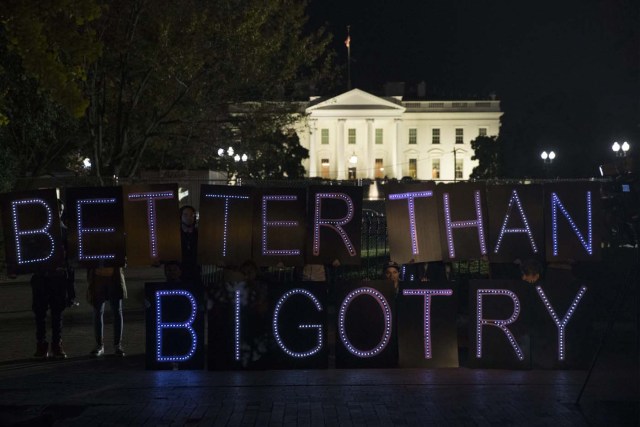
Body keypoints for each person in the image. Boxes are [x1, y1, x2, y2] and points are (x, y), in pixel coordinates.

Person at [31, 200, 76, 359]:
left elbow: (71, 261)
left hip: (57, 279)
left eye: (59, 210)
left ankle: (56, 344)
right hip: (42, 278)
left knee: (57, 313)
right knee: (40, 313)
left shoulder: (65, 233)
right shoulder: (39, 232)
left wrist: (71, 287)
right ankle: (42, 344)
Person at [86, 267, 127, 357]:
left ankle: (107, 345)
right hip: (101, 276)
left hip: (111, 276)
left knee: (112, 312)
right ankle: (112, 345)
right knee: (101, 312)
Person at [179, 205, 201, 285]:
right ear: (180, 216)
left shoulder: (199, 234)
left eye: (192, 215)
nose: (189, 217)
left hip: (195, 271)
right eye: (185, 215)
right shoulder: (175, 235)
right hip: (178, 272)